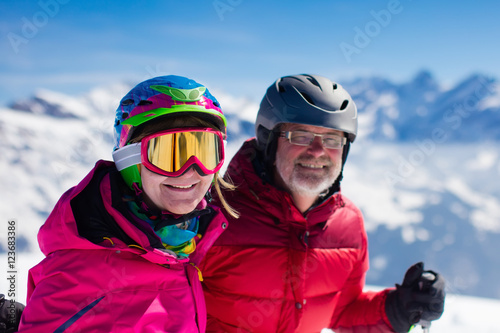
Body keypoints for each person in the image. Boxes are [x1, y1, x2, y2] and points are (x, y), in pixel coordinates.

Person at [200, 74, 445, 332]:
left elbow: (339, 311)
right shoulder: (212, 214)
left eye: (332, 139)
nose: (318, 151)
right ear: (267, 140)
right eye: (301, 135)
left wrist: (398, 309)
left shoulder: (348, 223)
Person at [16, 75, 238, 332]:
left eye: (205, 151)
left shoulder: (192, 242)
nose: (191, 171)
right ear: (130, 162)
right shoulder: (79, 277)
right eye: (167, 153)